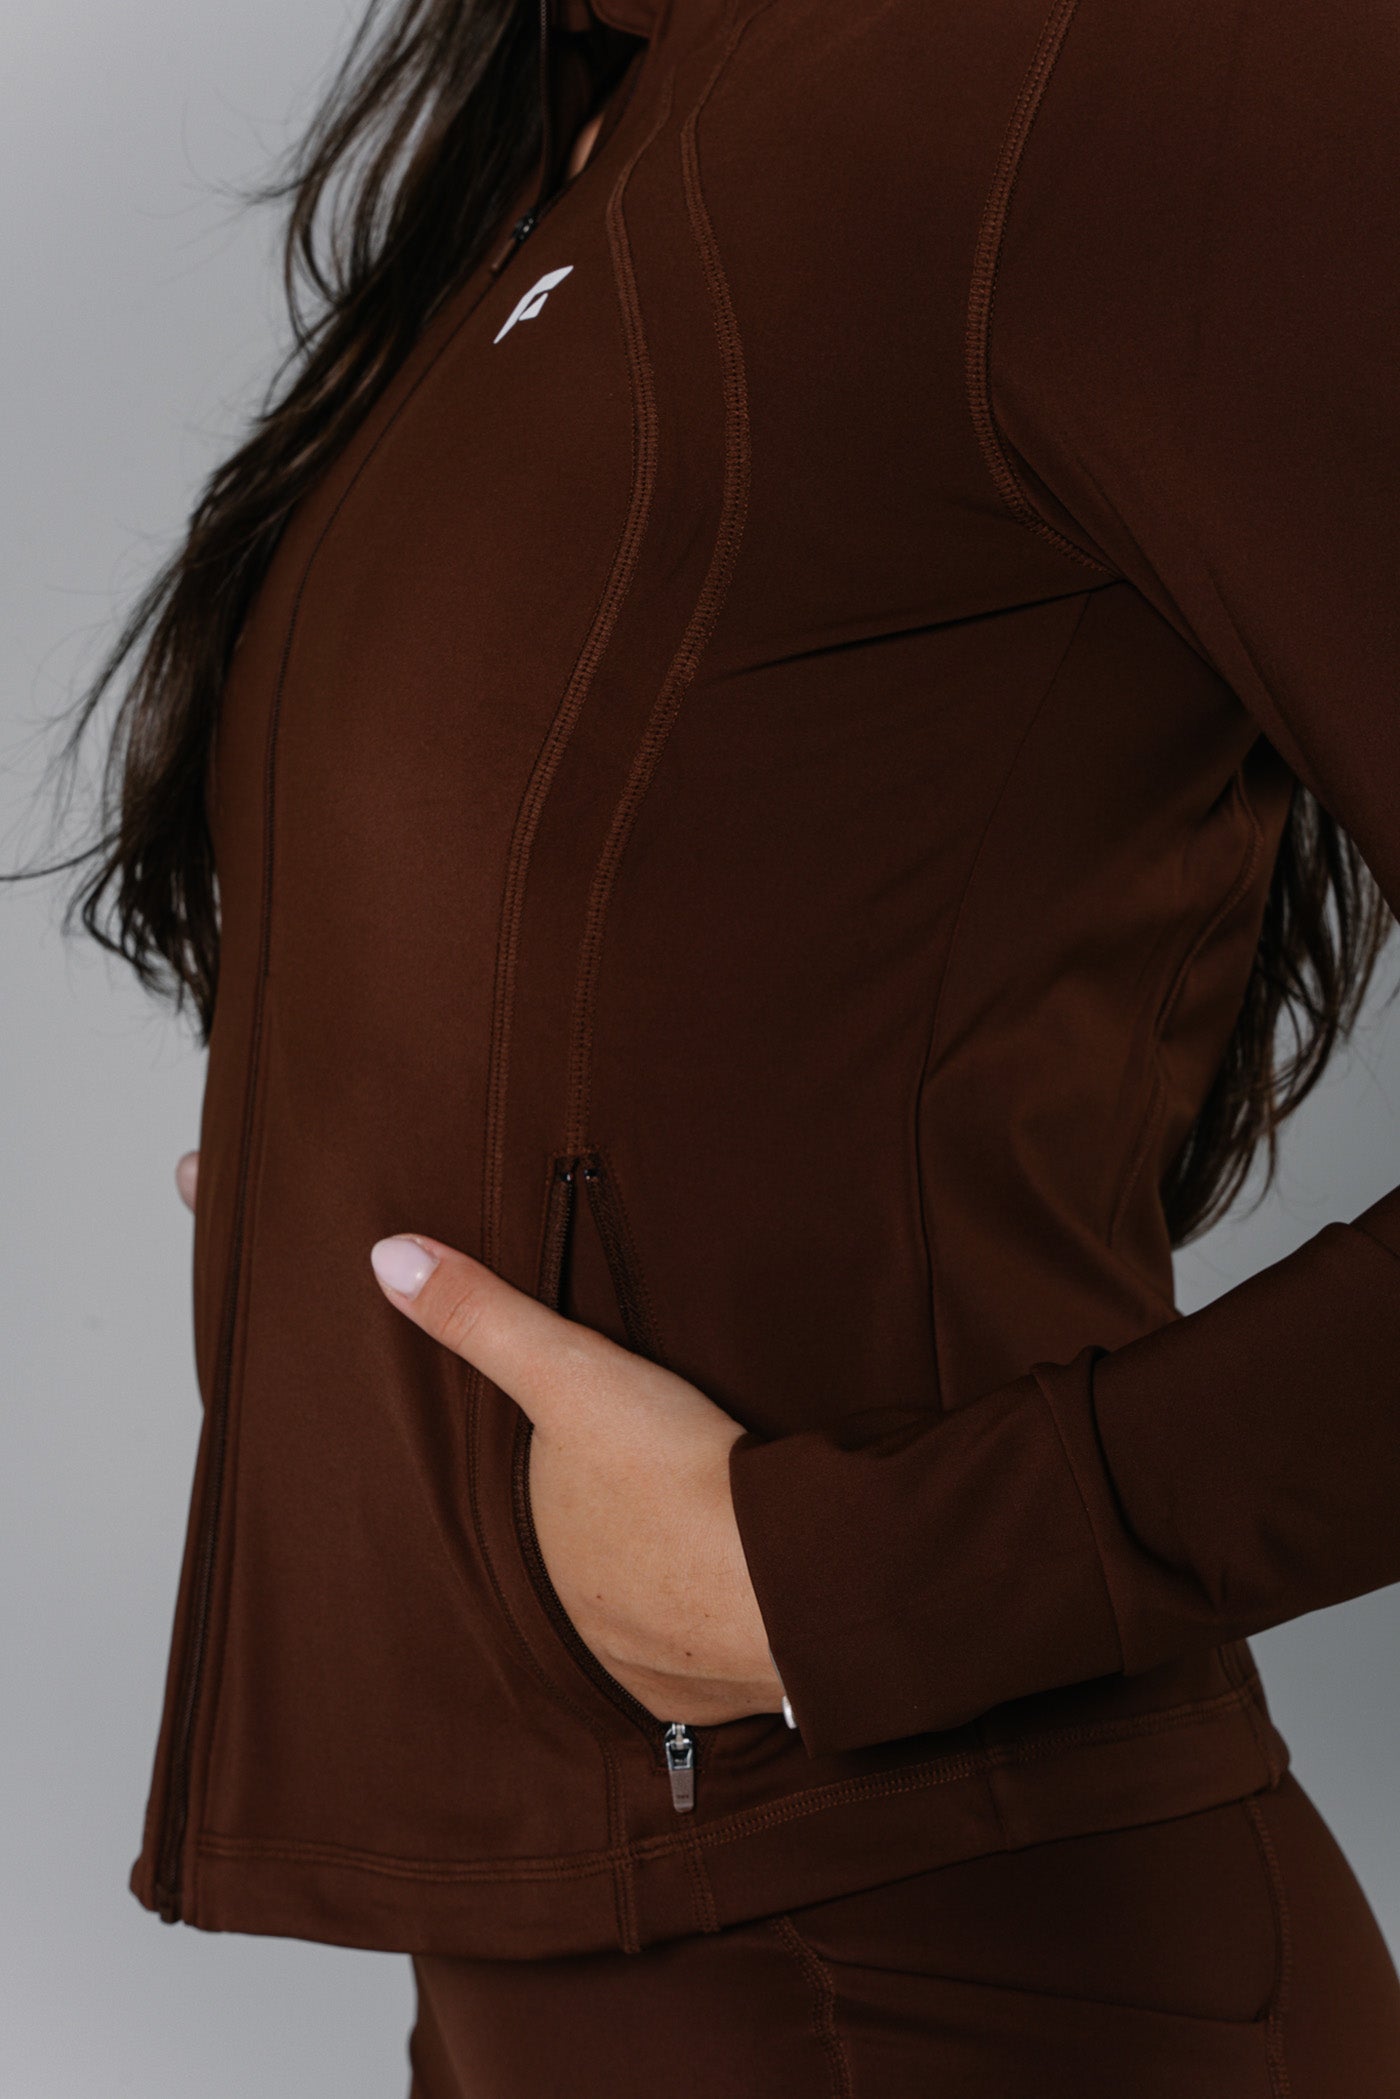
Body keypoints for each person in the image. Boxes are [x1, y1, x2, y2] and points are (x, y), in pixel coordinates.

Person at [22, 0, 1400, 2089]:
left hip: (934, 1985)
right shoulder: (616, 102)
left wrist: (848, 1587)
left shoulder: (1134, 65)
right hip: (569, 1996)